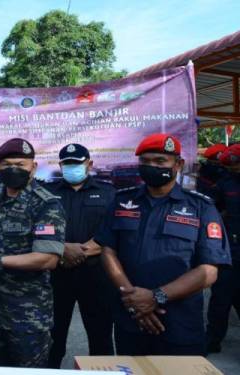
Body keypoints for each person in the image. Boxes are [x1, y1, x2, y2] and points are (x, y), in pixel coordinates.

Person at [95, 133, 231, 355]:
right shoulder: (122, 201)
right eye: (146, 161)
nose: (152, 166)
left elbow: (209, 270)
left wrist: (156, 296)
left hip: (180, 323)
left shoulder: (201, 207)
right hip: (132, 318)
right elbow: (108, 250)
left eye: (160, 161)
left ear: (178, 164)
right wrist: (132, 297)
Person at [0, 138, 66, 368]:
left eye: (20, 164)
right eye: (6, 164)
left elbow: (48, 258)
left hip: (27, 313)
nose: (13, 169)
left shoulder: (46, 204)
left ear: (33, 166)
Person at [43, 144, 115, 368]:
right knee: (52, 338)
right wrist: (62, 248)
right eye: (67, 163)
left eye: (77, 163)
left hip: (96, 276)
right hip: (56, 275)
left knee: (100, 338)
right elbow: (40, 227)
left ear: (89, 164)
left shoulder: (108, 193)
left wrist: (81, 251)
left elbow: (113, 230)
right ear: (61, 165)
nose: (72, 167)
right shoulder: (47, 193)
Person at [206, 143, 240, 353]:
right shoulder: (225, 184)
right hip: (231, 252)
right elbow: (211, 211)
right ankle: (212, 340)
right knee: (220, 299)